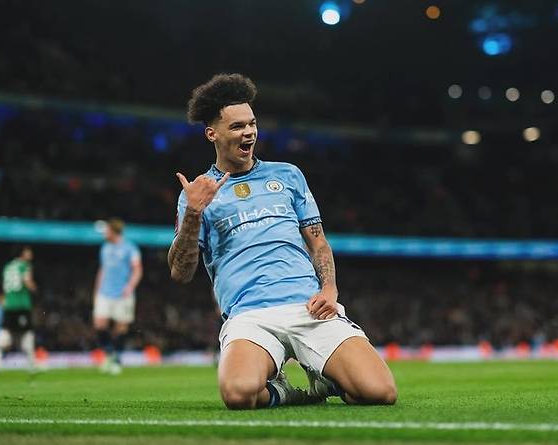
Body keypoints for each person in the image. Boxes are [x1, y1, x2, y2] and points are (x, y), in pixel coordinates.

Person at [168, 73, 397, 409]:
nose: (249, 132)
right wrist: (193, 214)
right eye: (237, 126)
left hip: (308, 307)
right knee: (239, 394)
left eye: (252, 124)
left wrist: (329, 289)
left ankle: (325, 380)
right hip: (250, 315)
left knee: (380, 392)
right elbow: (180, 273)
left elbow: (318, 243)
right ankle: (284, 391)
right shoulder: (197, 193)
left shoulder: (287, 175)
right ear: (212, 134)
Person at [93, 218, 143, 375]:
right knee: (99, 324)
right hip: (105, 293)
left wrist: (130, 286)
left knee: (121, 328)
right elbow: (102, 270)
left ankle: (117, 359)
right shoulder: (105, 248)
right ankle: (109, 354)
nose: (104, 233)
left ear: (114, 231)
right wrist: (97, 290)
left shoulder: (130, 248)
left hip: (123, 294)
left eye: (107, 230)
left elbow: (137, 269)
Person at [2, 246, 38, 370]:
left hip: (8, 304)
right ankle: (32, 364)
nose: (31, 254)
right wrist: (35, 289)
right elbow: (27, 281)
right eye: (28, 252)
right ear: (22, 254)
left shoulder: (7, 266)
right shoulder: (25, 265)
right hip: (22, 304)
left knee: (6, 331)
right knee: (28, 332)